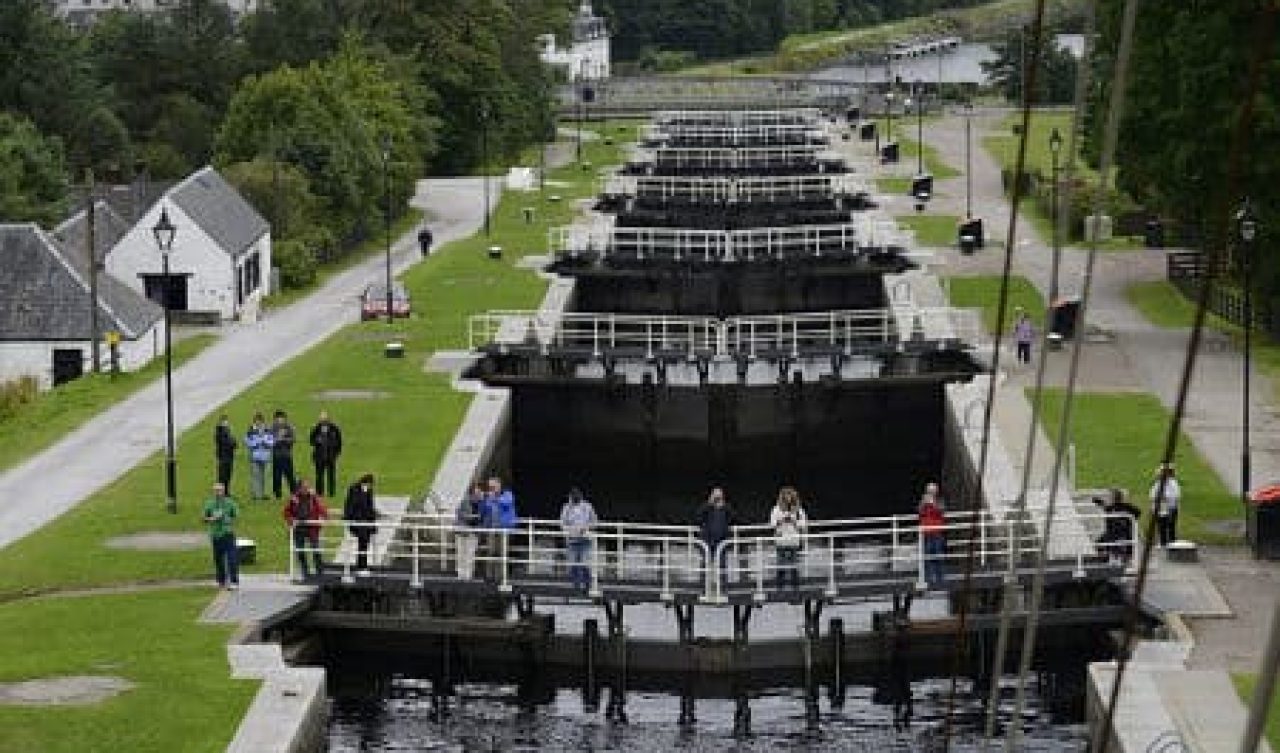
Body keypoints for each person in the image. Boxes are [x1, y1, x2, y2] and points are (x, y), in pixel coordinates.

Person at [284, 480, 328, 579]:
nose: (306, 489)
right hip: (299, 528)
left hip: (312, 527)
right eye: (304, 488)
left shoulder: (314, 498)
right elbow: (287, 512)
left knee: (316, 548)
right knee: (300, 550)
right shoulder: (293, 499)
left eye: (307, 487)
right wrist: (291, 520)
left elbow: (322, 509)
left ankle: (320, 571)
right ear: (299, 489)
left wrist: (322, 518)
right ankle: (305, 572)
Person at [560, 487, 598, 591]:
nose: (575, 498)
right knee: (573, 563)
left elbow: (594, 521)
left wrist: (586, 528)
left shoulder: (587, 506)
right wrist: (569, 531)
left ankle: (587, 585)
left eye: (577, 496)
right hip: (572, 540)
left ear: (580, 496)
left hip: (585, 539)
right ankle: (576, 586)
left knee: (585, 563)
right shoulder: (566, 507)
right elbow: (562, 523)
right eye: (573, 496)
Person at [202, 482, 239, 590]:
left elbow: (236, 515)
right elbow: (203, 518)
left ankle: (234, 581)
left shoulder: (230, 502)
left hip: (227, 533)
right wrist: (212, 519)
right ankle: (221, 580)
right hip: (215, 534)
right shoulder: (209, 503)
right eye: (216, 491)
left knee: (232, 558)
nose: (218, 493)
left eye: (220, 490)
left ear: (224, 491)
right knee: (218, 559)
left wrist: (227, 519)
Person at [770, 486, 808, 591]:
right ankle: (779, 589)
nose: (788, 497)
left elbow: (803, 525)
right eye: (786, 495)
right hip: (781, 540)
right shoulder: (776, 509)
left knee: (794, 567)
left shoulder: (799, 510)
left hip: (794, 540)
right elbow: (772, 524)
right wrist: (782, 520)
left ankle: (795, 589)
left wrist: (794, 521)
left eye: (790, 494)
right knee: (780, 566)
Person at [697, 487, 735, 578]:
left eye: (719, 495)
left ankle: (723, 587)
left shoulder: (726, 507)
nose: (717, 497)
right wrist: (709, 504)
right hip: (707, 540)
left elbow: (733, 518)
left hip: (722, 540)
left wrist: (724, 506)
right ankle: (703, 587)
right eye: (715, 495)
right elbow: (698, 517)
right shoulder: (706, 507)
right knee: (705, 564)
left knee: (722, 565)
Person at [343, 473, 377, 576]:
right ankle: (361, 567)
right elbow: (352, 505)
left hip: (366, 522)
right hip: (358, 522)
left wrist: (374, 515)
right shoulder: (354, 489)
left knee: (364, 544)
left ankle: (362, 566)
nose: (370, 486)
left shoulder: (368, 491)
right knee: (362, 544)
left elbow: (369, 506)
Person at [1097, 488, 1142, 563]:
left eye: (1110, 497)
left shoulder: (1125, 507)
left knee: (1116, 543)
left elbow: (1137, 512)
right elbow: (1106, 507)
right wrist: (1100, 503)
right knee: (1099, 543)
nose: (1109, 498)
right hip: (1111, 533)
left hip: (1122, 533)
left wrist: (1129, 519)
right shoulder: (1111, 507)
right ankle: (1105, 558)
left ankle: (1125, 557)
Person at [454, 482, 486, 579]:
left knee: (470, 553)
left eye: (479, 491)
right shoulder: (465, 501)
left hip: (474, 531)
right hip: (462, 530)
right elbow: (459, 513)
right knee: (461, 553)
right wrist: (469, 517)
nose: (478, 493)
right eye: (476, 491)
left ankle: (468, 574)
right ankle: (460, 574)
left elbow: (484, 516)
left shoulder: (483, 503)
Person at [309, 411, 343, 497]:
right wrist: (317, 440)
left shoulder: (334, 428)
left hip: (331, 456)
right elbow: (311, 441)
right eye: (321, 418)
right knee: (319, 476)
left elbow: (339, 442)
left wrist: (336, 454)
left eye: (324, 418)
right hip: (319, 457)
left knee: (331, 476)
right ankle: (319, 492)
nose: (323, 420)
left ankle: (331, 492)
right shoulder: (316, 428)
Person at [918, 485, 946, 589]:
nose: (931, 492)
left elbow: (941, 511)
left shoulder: (939, 501)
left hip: (937, 531)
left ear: (936, 491)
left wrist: (933, 504)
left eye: (933, 491)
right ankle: (928, 577)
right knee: (927, 555)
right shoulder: (924, 500)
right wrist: (924, 504)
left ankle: (940, 578)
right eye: (929, 491)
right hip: (927, 532)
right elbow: (920, 512)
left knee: (938, 555)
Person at [1149, 463, 1181, 547]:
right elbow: (1152, 494)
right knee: (1161, 527)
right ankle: (1163, 542)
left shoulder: (1173, 483)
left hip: (1170, 508)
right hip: (1160, 509)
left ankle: (1171, 543)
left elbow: (1176, 495)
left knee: (1170, 527)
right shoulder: (1158, 483)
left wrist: (1164, 497)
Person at [244, 413, 273, 501]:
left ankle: (265, 493)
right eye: (257, 421)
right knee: (256, 476)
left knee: (266, 476)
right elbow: (246, 441)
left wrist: (266, 442)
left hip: (266, 456)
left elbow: (272, 441)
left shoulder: (267, 430)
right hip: (255, 456)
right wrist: (255, 444)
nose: (258, 423)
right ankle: (256, 494)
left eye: (260, 421)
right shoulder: (250, 431)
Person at [270, 410, 298, 501]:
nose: (280, 420)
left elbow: (293, 439)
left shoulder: (289, 428)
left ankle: (294, 492)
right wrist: (277, 440)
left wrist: (284, 440)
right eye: (278, 418)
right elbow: (270, 441)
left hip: (286, 455)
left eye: (281, 418)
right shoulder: (272, 428)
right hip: (276, 456)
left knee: (290, 475)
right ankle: (277, 494)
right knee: (276, 476)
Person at [214, 415, 237, 490]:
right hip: (223, 456)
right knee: (222, 475)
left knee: (228, 474)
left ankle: (226, 491)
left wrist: (232, 442)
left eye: (226, 421)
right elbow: (227, 442)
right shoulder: (220, 431)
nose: (226, 423)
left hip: (229, 456)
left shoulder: (228, 431)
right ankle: (221, 492)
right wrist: (232, 442)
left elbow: (234, 443)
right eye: (224, 422)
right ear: (221, 422)